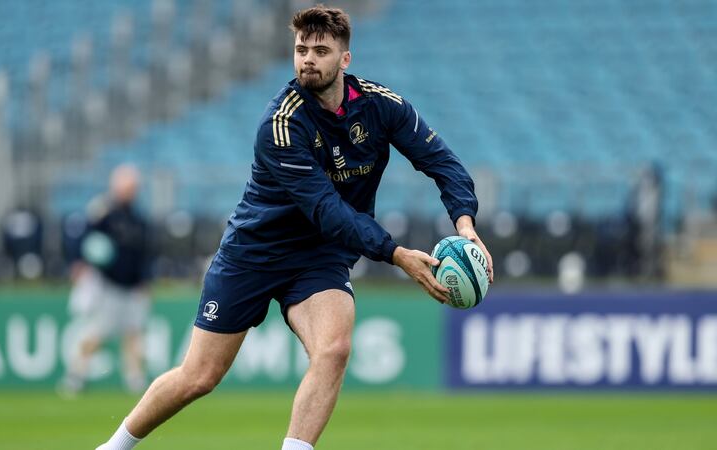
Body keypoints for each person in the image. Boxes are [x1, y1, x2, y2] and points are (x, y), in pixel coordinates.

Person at [96, 5, 493, 450]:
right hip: (255, 251)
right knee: (199, 376)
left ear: (345, 59)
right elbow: (327, 210)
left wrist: (465, 224)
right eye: (301, 49)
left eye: (320, 51)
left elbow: (442, 162)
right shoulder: (281, 124)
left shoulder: (382, 106)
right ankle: (113, 447)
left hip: (320, 255)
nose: (307, 59)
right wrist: (397, 254)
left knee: (334, 350)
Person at [61, 164, 154, 395]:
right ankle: (76, 374)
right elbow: (84, 237)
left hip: (132, 286)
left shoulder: (137, 217)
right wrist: (79, 262)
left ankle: (134, 378)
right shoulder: (103, 211)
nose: (131, 191)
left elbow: (145, 251)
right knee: (97, 332)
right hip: (109, 283)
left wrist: (145, 280)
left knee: (134, 332)